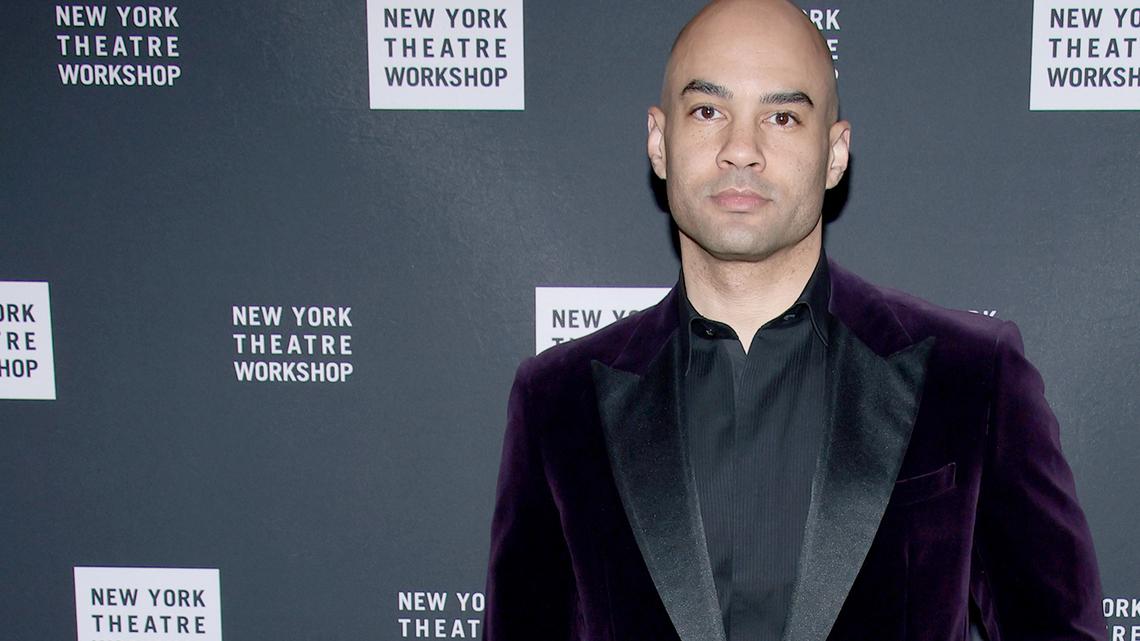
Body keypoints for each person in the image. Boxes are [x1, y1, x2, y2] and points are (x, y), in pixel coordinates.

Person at [482, 1, 1106, 640]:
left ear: (835, 154)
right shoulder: (558, 402)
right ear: (658, 140)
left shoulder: (972, 377)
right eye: (707, 112)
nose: (741, 150)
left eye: (781, 116)